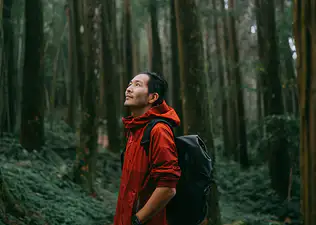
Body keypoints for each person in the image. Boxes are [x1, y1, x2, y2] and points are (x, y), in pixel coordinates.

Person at [113, 72, 181, 225]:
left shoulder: (159, 131)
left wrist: (137, 220)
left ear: (153, 97)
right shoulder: (134, 130)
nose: (129, 89)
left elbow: (168, 188)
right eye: (130, 83)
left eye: (137, 85)